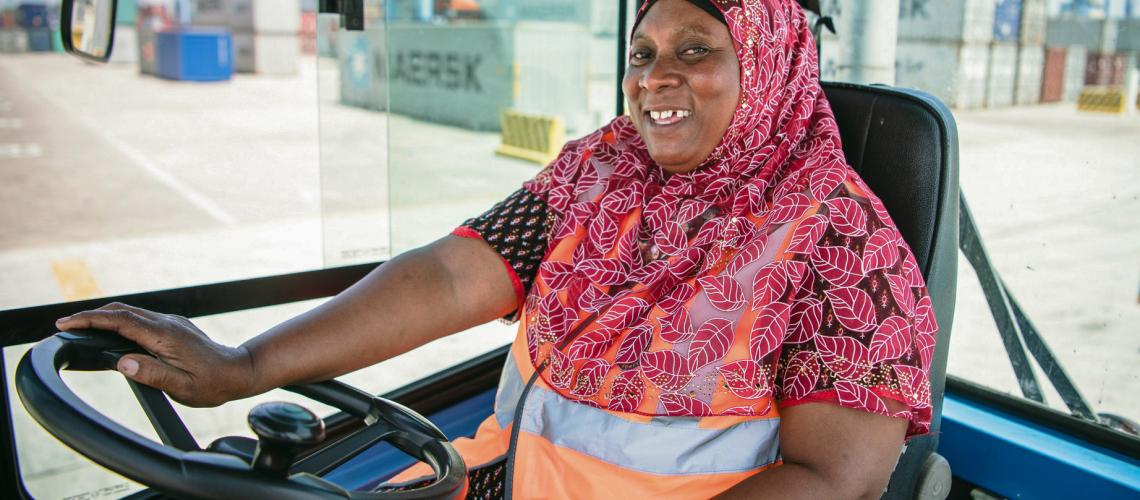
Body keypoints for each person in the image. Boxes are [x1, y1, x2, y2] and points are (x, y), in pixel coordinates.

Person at [55, 0, 938, 498]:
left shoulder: (845, 247)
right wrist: (245, 364)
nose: (653, 78)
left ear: (769, 63)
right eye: (642, 52)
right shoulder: (600, 170)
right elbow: (451, 273)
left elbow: (832, 483)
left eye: (696, 50)